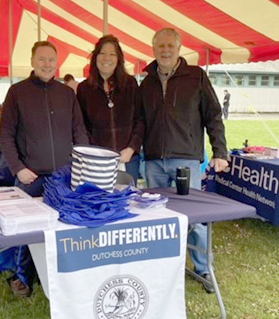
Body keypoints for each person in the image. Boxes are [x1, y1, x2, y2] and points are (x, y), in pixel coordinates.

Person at [140, 28, 228, 293]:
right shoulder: (146, 82)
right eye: (160, 46)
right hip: (154, 161)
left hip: (186, 161)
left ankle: (203, 268)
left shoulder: (196, 76)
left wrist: (220, 152)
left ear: (179, 49)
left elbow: (213, 115)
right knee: (156, 218)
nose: (165, 50)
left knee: (195, 219)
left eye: (170, 46)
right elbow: (140, 122)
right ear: (153, 49)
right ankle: (162, 265)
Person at [0, 41, 89, 297]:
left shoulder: (67, 94)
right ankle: (21, 277)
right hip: (31, 176)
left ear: (57, 62)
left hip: (64, 176)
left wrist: (81, 165)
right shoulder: (17, 92)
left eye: (51, 59)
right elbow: (6, 135)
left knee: (63, 228)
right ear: (32, 61)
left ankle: (57, 275)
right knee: (26, 229)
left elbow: (79, 131)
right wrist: (18, 168)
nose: (47, 64)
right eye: (42, 59)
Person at [77, 35, 144, 184]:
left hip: (128, 159)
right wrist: (97, 153)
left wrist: (131, 148)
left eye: (112, 54)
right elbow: (82, 126)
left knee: (127, 201)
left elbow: (140, 120)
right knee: (100, 201)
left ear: (119, 59)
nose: (107, 58)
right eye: (102, 53)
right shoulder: (84, 89)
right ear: (95, 57)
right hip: (97, 162)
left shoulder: (130, 84)